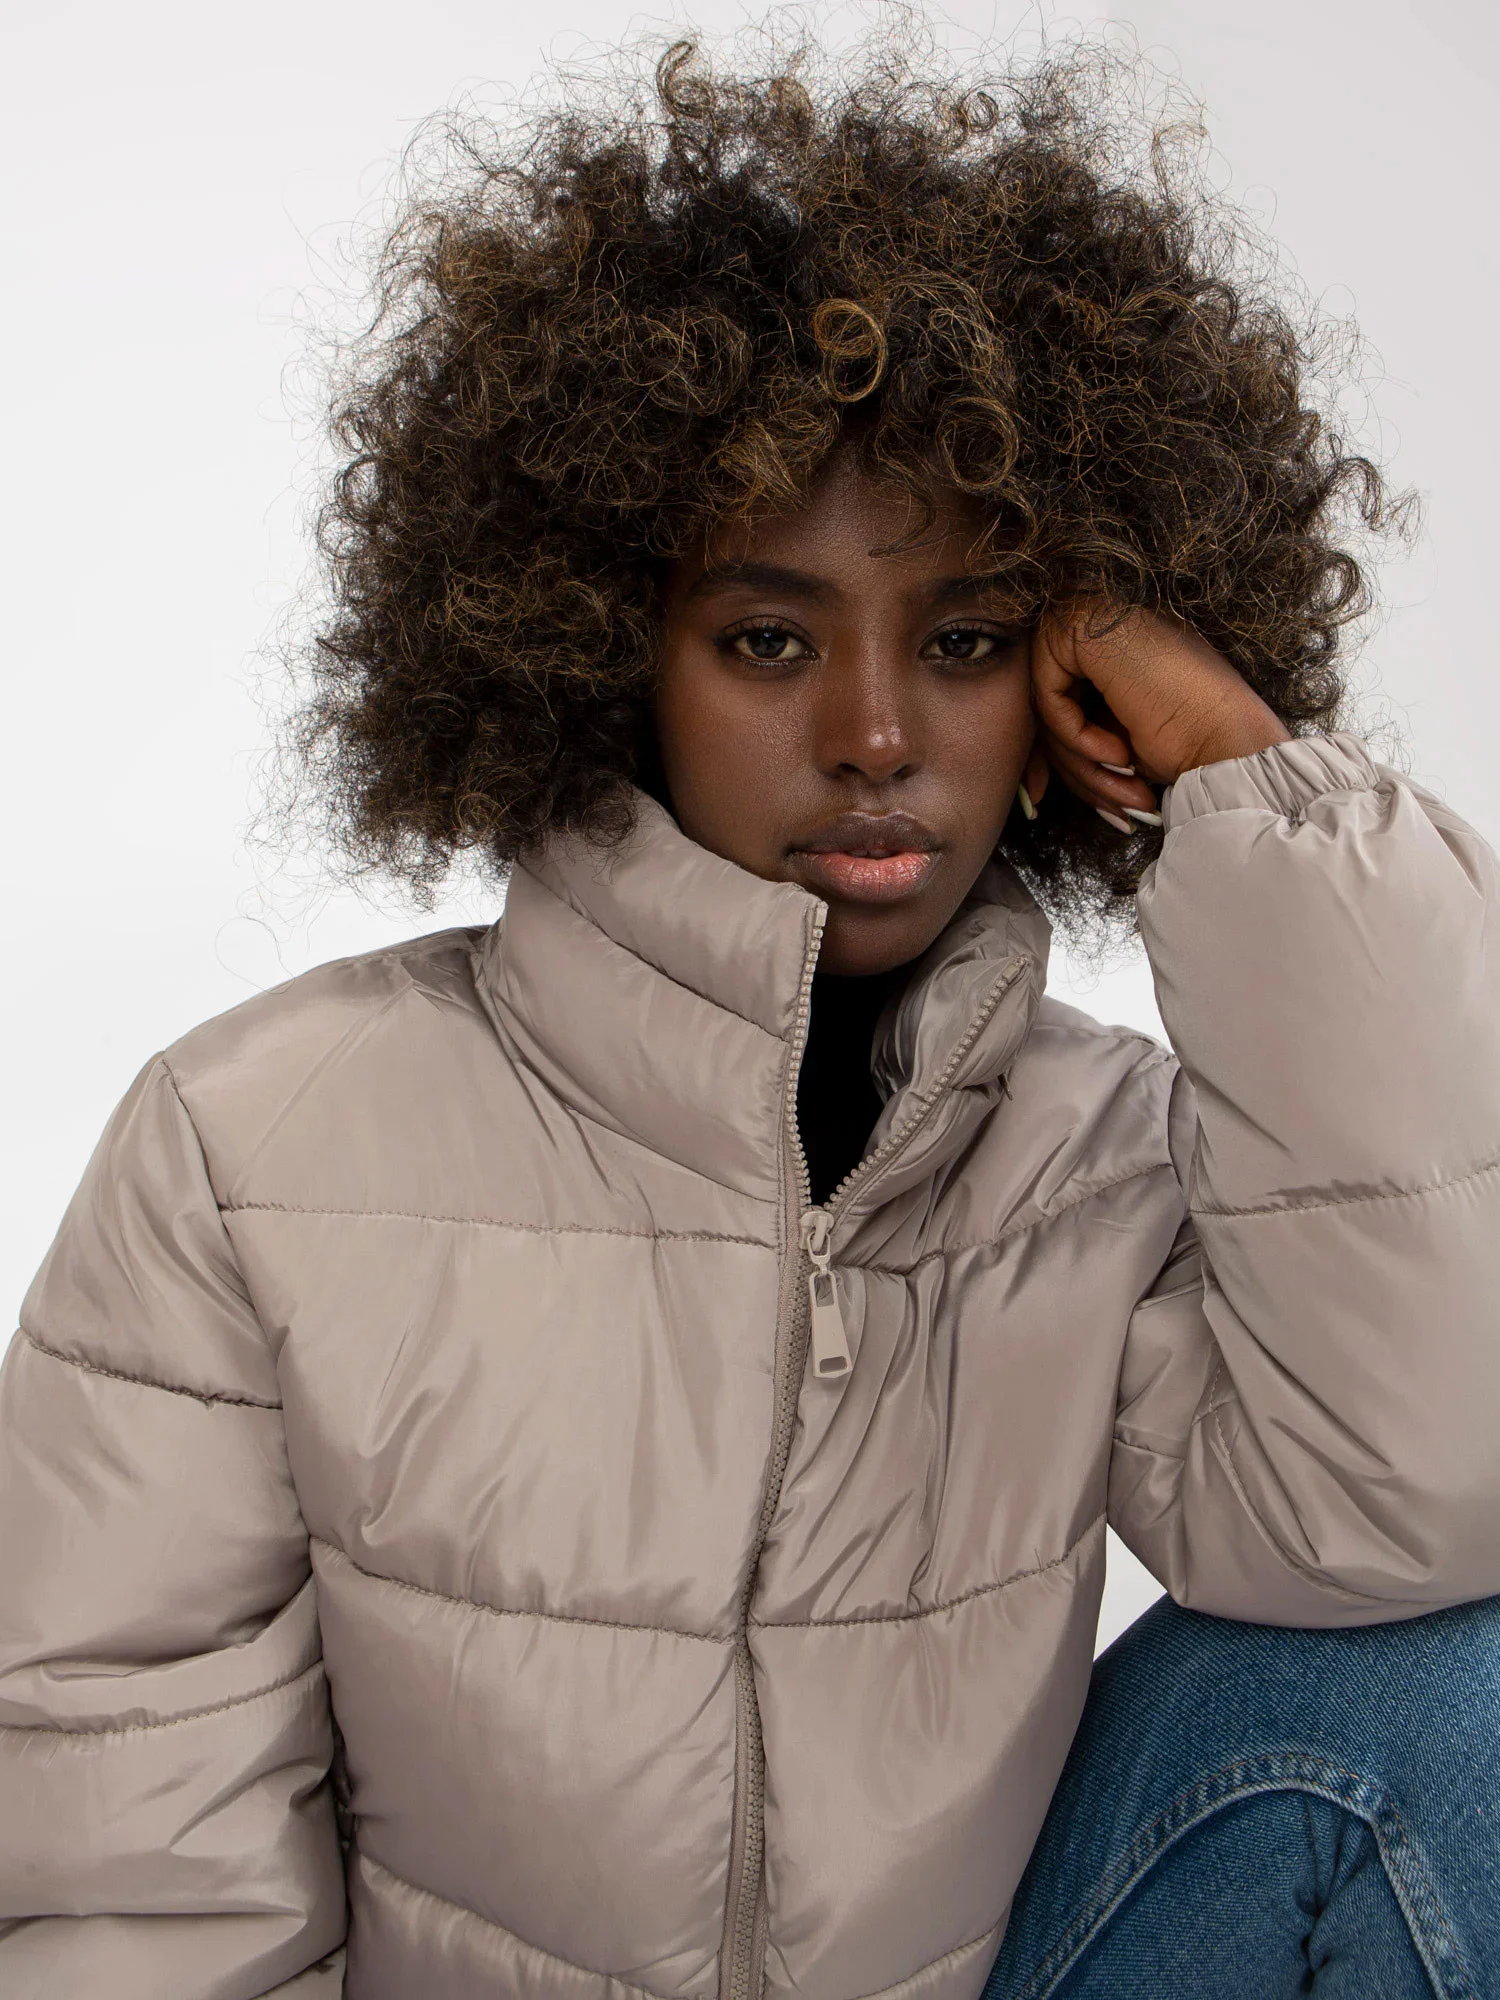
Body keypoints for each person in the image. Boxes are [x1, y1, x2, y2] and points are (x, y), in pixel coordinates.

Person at [2, 29, 1498, 2000]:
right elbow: (137, 1884)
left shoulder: (1103, 1155)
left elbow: (1418, 1505)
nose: (875, 734)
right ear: (598, 648)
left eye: (970, 639)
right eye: (769, 638)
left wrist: (1248, 781)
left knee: (1452, 1681)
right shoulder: (254, 1147)